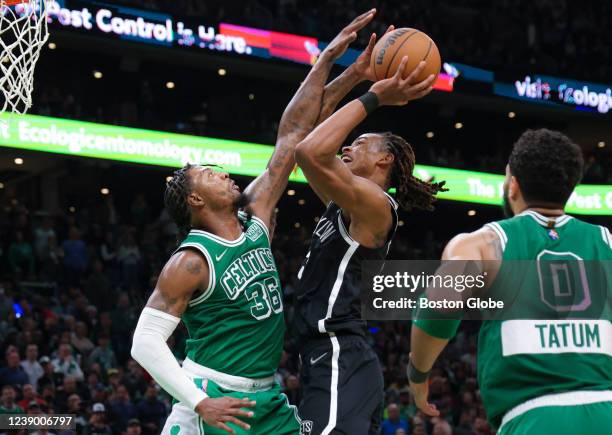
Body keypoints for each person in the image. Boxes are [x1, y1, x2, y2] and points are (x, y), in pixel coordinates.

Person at [130, 10, 380, 435]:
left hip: (267, 396)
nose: (224, 174)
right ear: (195, 199)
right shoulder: (191, 260)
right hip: (216, 399)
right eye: (211, 175)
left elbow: (292, 135)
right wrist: (199, 401)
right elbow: (144, 343)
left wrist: (338, 65)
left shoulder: (256, 215)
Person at [408, 129, 612, 434]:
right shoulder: (607, 242)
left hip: (534, 416)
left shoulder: (482, 243)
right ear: (570, 188)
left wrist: (418, 374)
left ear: (512, 184)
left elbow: (440, 308)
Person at [292, 34, 442, 435]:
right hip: (324, 356)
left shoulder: (376, 205)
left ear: (384, 159)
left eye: (358, 144)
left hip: (340, 353)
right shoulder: (344, 202)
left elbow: (310, 150)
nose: (346, 148)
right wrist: (352, 74)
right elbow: (303, 139)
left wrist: (373, 96)